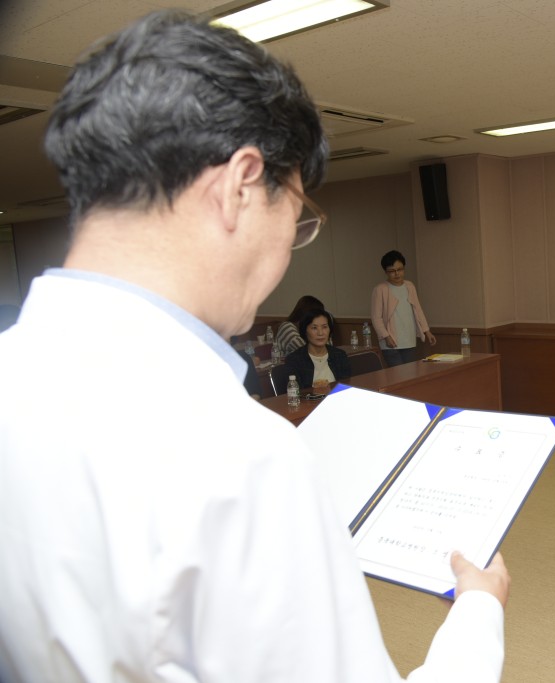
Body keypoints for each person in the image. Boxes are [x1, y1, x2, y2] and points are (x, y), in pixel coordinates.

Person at [0, 11, 509, 683]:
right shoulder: (239, 458)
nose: (286, 253)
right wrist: (477, 614)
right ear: (241, 185)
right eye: (295, 217)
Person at [371, 250, 436, 366]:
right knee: (398, 375)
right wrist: (386, 336)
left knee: (410, 375)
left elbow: (418, 310)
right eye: (392, 271)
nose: (397, 274)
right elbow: (376, 318)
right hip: (390, 343)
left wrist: (427, 331)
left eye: (400, 269)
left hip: (409, 340)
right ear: (385, 272)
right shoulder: (380, 289)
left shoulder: (409, 286)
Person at [284, 307, 351, 388]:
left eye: (324, 327)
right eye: (314, 328)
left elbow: (347, 386)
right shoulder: (294, 360)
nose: (320, 333)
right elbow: (295, 394)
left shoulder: (340, 356)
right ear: (304, 330)